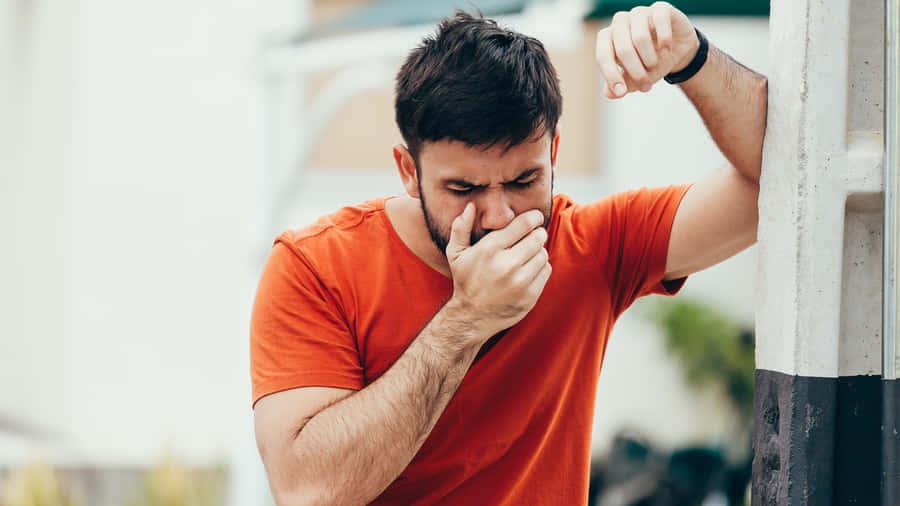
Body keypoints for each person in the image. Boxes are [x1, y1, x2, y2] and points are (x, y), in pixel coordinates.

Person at [250, 3, 767, 505]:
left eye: (524, 180)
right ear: (408, 171)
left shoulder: (595, 244)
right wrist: (466, 320)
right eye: (463, 188)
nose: (498, 216)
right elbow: (308, 490)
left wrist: (693, 58)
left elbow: (782, 182)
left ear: (554, 154)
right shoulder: (316, 266)